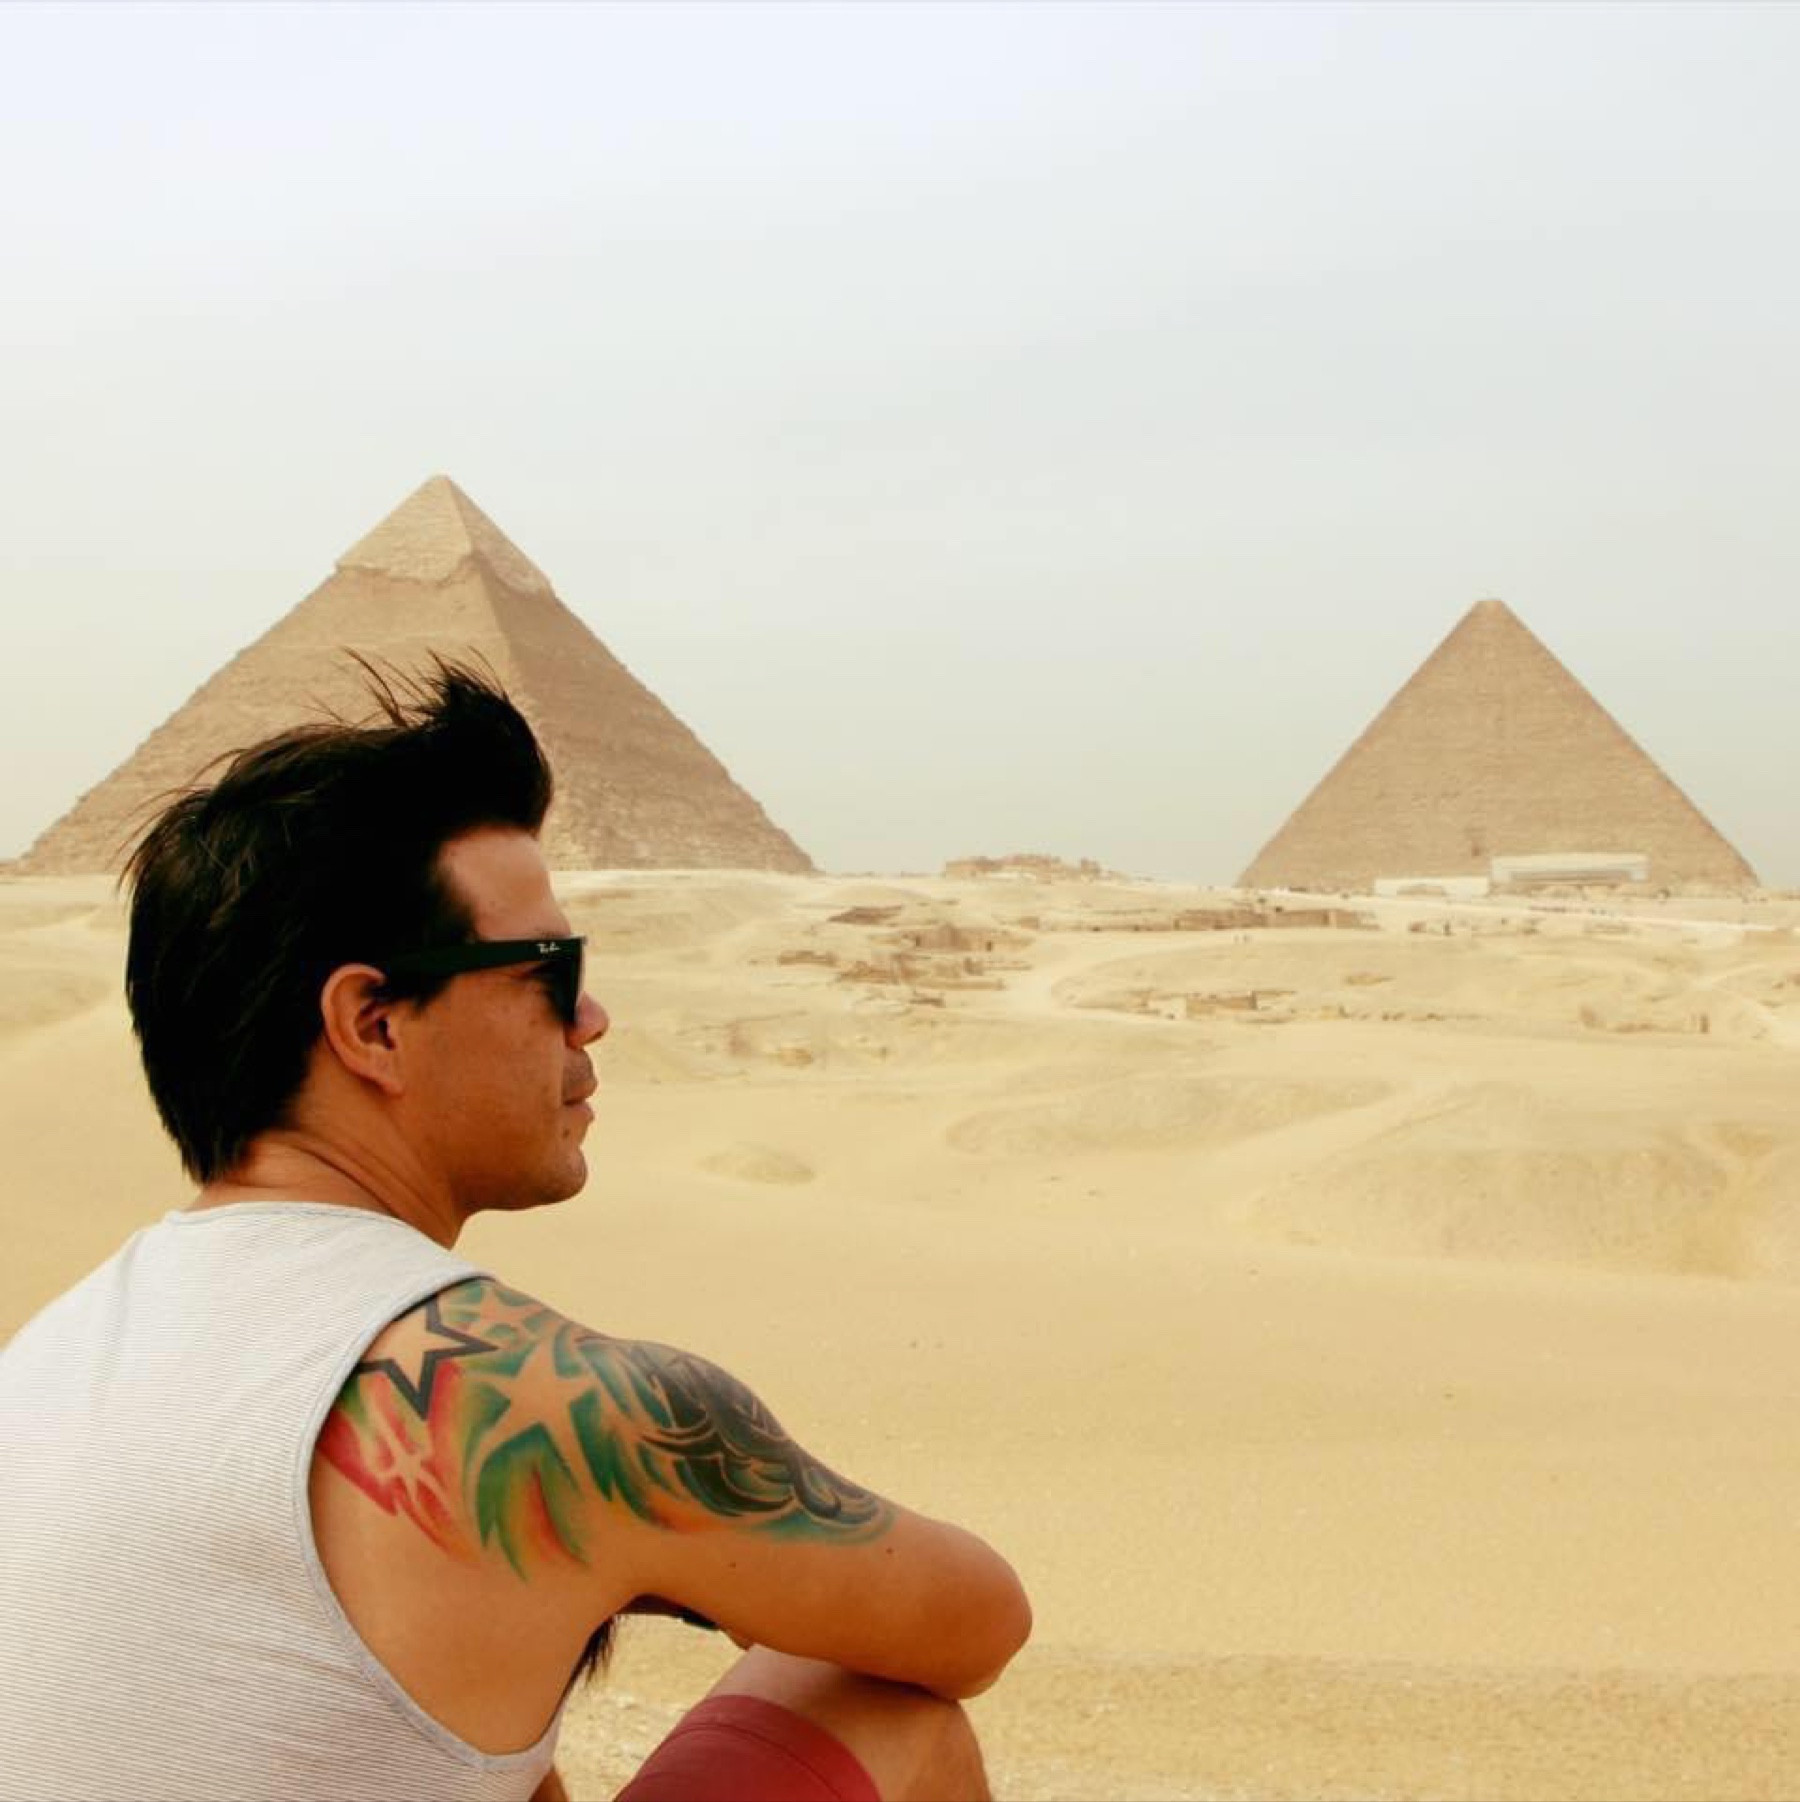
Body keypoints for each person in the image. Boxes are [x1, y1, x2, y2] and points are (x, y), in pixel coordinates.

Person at [0, 663, 1031, 1802]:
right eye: (552, 972)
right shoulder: (566, 1403)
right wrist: (675, 1552)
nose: (592, 1017)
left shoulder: (50, 1360)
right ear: (374, 1025)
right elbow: (978, 1622)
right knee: (875, 1691)